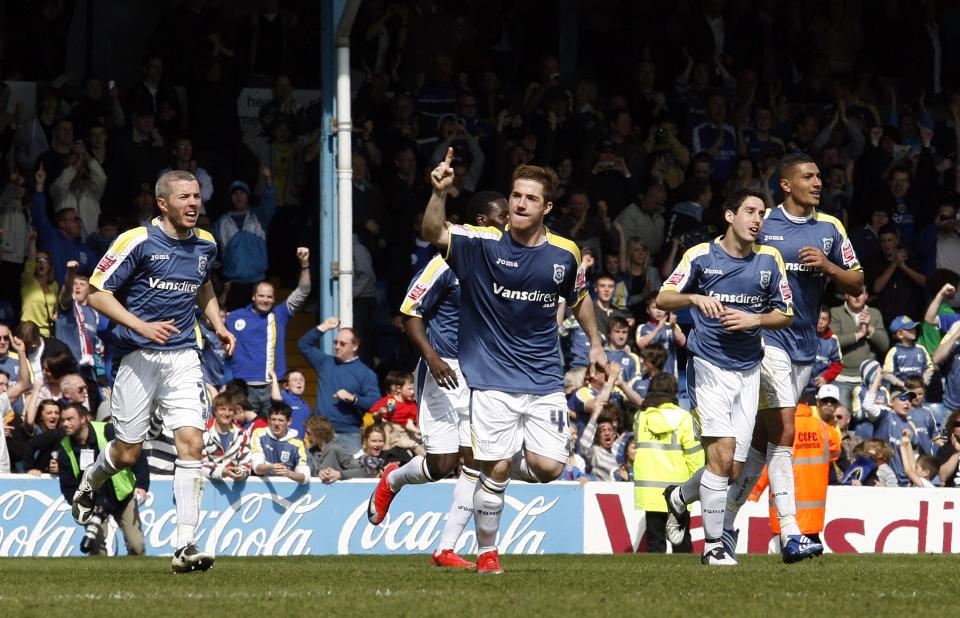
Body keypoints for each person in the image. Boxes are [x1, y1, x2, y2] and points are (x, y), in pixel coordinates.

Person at [382, 151, 605, 574]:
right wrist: (438, 192)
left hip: (543, 379)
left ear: (547, 208)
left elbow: (578, 298)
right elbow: (433, 230)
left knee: (548, 468)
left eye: (530, 199)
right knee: (496, 466)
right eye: (515, 196)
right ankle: (487, 554)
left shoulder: (565, 253)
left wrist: (595, 343)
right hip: (490, 379)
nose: (520, 204)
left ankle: (491, 463)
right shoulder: (480, 243)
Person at [73, 169, 235, 573]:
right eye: (184, 197)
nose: (193, 203)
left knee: (192, 444)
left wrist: (216, 323)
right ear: (162, 203)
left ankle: (184, 546)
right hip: (136, 355)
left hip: (182, 354)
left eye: (197, 195)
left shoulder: (206, 244)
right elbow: (95, 293)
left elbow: (203, 285)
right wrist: (141, 326)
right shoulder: (137, 241)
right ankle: (91, 481)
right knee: (127, 453)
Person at [721, 153, 863, 564]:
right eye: (808, 176)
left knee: (763, 447)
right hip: (768, 340)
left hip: (806, 347)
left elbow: (857, 281)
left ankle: (711, 511)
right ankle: (791, 534)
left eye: (819, 175)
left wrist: (829, 266)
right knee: (784, 432)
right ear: (786, 184)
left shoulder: (830, 227)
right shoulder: (765, 224)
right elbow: (734, 262)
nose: (818, 181)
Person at [658, 187, 794, 566]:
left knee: (732, 470)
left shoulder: (770, 260)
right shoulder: (700, 256)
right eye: (750, 211)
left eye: (762, 213)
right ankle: (715, 546)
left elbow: (786, 313)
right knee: (719, 459)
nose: (757, 219)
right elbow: (662, 297)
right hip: (708, 367)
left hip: (749, 369)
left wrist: (755, 318)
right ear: (730, 216)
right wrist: (692, 298)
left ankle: (680, 497)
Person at [366, 245, 478, 568]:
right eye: (500, 219)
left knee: (475, 460)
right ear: (481, 221)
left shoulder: (498, 265)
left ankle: (445, 549)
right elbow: (411, 312)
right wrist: (432, 356)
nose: (505, 226)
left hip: (480, 372)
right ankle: (392, 480)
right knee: (441, 466)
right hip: (442, 367)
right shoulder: (442, 265)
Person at [226, 247, 310, 417]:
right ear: (253, 297)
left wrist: (305, 265)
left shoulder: (279, 315)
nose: (265, 300)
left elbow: (303, 291)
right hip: (242, 389)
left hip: (271, 387)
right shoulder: (234, 317)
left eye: (269, 297)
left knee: (271, 434)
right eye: (261, 296)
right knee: (243, 436)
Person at [54, 403, 148, 555]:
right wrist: (80, 504)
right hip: (92, 501)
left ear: (84, 419)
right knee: (97, 551)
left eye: (70, 419)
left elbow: (136, 455)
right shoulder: (65, 447)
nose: (65, 424)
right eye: (63, 420)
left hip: (122, 496)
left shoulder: (107, 430)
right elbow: (67, 485)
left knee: (137, 546)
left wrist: (142, 485)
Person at [747, 399, 839, 552]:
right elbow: (835, 452)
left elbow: (769, 463)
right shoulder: (823, 427)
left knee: (786, 549)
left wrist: (754, 490)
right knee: (814, 549)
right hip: (814, 509)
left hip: (786, 502)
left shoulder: (783, 427)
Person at [633, 372, 702, 553]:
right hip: (678, 491)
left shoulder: (641, 417)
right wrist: (699, 485)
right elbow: (693, 454)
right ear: (672, 391)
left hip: (649, 490)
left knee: (655, 544)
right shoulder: (684, 418)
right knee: (682, 541)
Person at [298, 317, 380, 453]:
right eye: (335, 342)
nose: (337, 346)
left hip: (348, 435)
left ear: (354, 346)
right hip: (320, 432)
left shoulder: (365, 373)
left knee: (347, 473)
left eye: (342, 344)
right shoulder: (325, 362)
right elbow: (303, 344)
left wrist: (353, 399)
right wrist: (324, 327)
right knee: (315, 472)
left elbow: (375, 403)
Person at [829, 290, 889, 406]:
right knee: (842, 418)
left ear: (866, 296)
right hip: (842, 377)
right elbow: (832, 344)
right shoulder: (836, 312)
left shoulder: (874, 313)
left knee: (866, 418)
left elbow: (884, 345)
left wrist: (870, 329)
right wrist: (859, 335)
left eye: (860, 294)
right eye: (853, 293)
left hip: (867, 380)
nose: (857, 297)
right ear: (846, 295)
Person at [250, 401, 310, 484]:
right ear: (268, 420)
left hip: (286, 488)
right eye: (273, 419)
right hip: (260, 487)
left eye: (281, 420)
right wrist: (271, 467)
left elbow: (305, 477)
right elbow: (256, 467)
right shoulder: (259, 434)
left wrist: (288, 473)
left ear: (289, 421)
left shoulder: (298, 443)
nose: (276, 423)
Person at [201, 391, 252, 482]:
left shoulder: (242, 434)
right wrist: (223, 471)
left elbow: (246, 463)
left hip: (234, 487)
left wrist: (241, 473)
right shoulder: (203, 432)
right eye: (223, 409)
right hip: (208, 486)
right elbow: (200, 463)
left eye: (230, 410)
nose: (227, 413)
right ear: (214, 411)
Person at [883, 316, 934, 389]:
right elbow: (887, 373)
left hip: (919, 391)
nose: (914, 330)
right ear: (899, 334)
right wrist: (901, 384)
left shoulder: (921, 349)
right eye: (910, 329)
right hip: (899, 392)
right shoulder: (894, 351)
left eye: (914, 328)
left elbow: (929, 369)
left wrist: (923, 383)